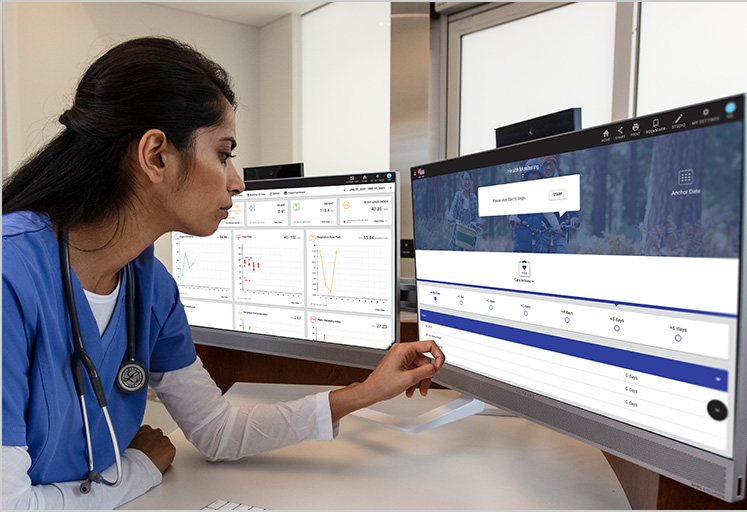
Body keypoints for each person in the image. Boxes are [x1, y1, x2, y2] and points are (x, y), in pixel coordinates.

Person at [2, 37, 445, 510]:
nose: (238, 181)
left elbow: (217, 431)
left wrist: (361, 394)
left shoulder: (151, 290)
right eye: (223, 153)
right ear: (156, 155)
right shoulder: (11, 276)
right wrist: (140, 468)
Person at [509, 159, 561, 253]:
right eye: (531, 179)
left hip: (537, 241)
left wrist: (556, 226)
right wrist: (514, 219)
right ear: (526, 180)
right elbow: (513, 212)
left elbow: (549, 214)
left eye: (537, 180)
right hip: (521, 241)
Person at [540, 155, 579, 253]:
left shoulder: (563, 181)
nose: (548, 168)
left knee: (561, 252)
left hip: (561, 225)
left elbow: (570, 201)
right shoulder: (538, 181)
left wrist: (574, 216)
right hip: (543, 227)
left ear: (555, 165)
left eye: (551, 164)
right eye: (545, 165)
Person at [447, 171, 483, 250]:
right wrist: (451, 216)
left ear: (471, 181)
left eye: (469, 179)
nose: (467, 182)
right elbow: (452, 207)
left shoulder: (474, 198)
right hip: (459, 231)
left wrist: (479, 221)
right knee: (457, 251)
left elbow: (477, 214)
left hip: (470, 232)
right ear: (462, 181)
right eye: (465, 179)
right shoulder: (458, 195)